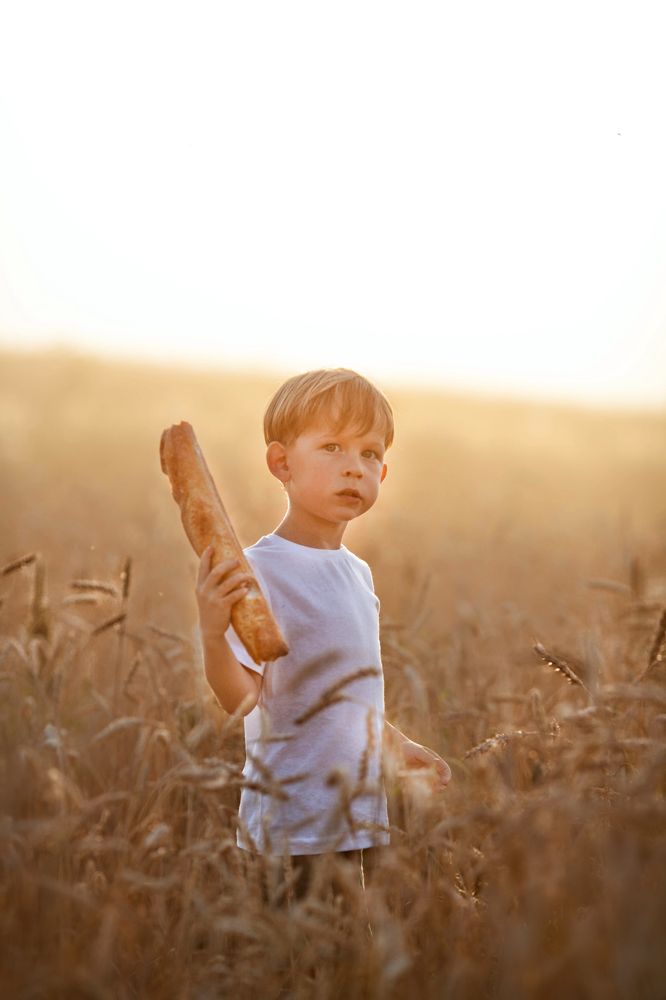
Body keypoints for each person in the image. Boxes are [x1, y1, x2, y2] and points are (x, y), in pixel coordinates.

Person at [195, 368, 451, 907]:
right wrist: (213, 632)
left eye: (369, 453)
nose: (354, 468)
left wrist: (396, 744)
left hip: (359, 816)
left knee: (348, 967)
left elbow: (347, 695)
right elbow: (241, 698)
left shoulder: (357, 573)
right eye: (332, 447)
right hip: (293, 825)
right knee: (295, 972)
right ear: (281, 463)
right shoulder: (261, 571)